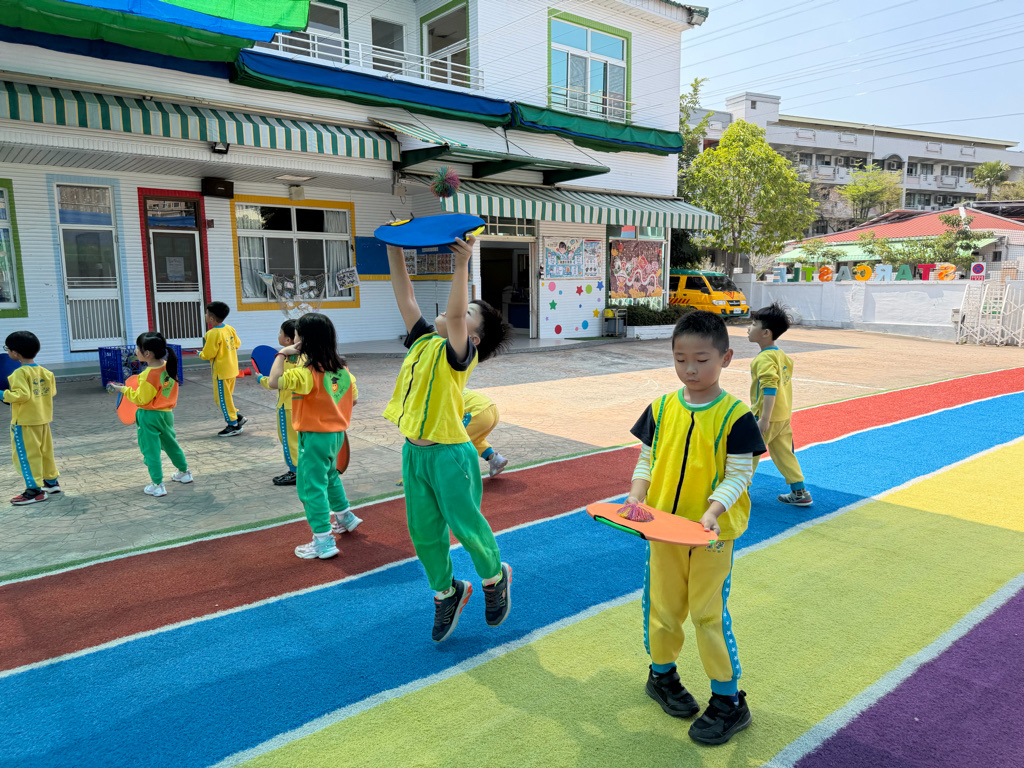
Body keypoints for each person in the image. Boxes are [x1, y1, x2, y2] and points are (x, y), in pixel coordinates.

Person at [627, 311, 765, 746]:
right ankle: (661, 676)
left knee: (707, 615)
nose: (690, 369)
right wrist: (636, 495)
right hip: (663, 530)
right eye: (680, 359)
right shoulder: (661, 408)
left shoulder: (736, 417)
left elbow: (739, 474)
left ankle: (728, 700)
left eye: (702, 360)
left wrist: (712, 512)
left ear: (726, 358)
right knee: (662, 608)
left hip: (711, 537)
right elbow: (647, 459)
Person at [382, 235, 515, 643]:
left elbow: (455, 317)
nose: (456, 311)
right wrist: (394, 245)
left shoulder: (460, 353)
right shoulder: (424, 339)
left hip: (450, 455)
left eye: (469, 312)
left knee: (464, 524)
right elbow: (405, 294)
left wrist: (462, 265)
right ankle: (447, 592)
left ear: (474, 338)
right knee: (423, 532)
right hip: (415, 454)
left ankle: (494, 578)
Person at [268, 313, 361, 560]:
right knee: (330, 477)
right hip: (336, 436)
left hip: (314, 437)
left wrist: (281, 354)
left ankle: (322, 541)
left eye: (296, 335)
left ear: (302, 340)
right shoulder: (342, 369)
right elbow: (354, 398)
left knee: (311, 487)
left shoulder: (306, 373)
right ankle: (345, 517)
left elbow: (273, 381)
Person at [106, 332, 192, 497]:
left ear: (147, 353)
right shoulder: (168, 365)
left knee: (150, 450)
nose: (135, 351)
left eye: (138, 348)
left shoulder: (147, 375)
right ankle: (185, 473)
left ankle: (157, 485)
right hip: (166, 415)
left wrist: (122, 389)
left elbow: (141, 399)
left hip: (149, 416)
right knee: (171, 444)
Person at [747, 302, 812, 506]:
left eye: (754, 324)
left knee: (748, 454)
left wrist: (764, 419)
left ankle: (739, 493)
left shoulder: (763, 359)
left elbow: (770, 387)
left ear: (765, 333)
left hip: (765, 417)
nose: (749, 327)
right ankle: (800, 491)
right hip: (783, 417)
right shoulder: (783, 357)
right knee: (785, 454)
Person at [3, 331, 60, 504]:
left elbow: (21, 395)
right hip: (43, 419)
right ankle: (51, 482)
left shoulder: (19, 373)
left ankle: (34, 490)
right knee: (45, 452)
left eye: (7, 349)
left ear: (15, 353)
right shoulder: (46, 373)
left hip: (25, 422)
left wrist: (3, 394)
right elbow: (52, 392)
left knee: (27, 455)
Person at [259, 319, 300, 486]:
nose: (278, 335)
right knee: (300, 440)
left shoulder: (285, 359)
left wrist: (261, 379)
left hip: (287, 406)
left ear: (288, 340)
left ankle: (295, 472)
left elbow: (274, 382)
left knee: (288, 440)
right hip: (302, 406)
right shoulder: (306, 358)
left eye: (280, 332)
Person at [199, 301, 245, 437]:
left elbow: (208, 354)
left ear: (211, 318)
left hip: (221, 372)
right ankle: (238, 417)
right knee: (227, 398)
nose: (205, 315)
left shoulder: (212, 333)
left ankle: (233, 425)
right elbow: (237, 344)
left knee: (221, 400)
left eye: (206, 313)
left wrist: (200, 354)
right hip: (232, 369)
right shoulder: (230, 329)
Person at [462, 389, 508, 477]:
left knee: (455, 440)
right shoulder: (456, 387)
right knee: (475, 439)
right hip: (493, 410)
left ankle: (461, 472)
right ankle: (495, 459)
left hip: (478, 412)